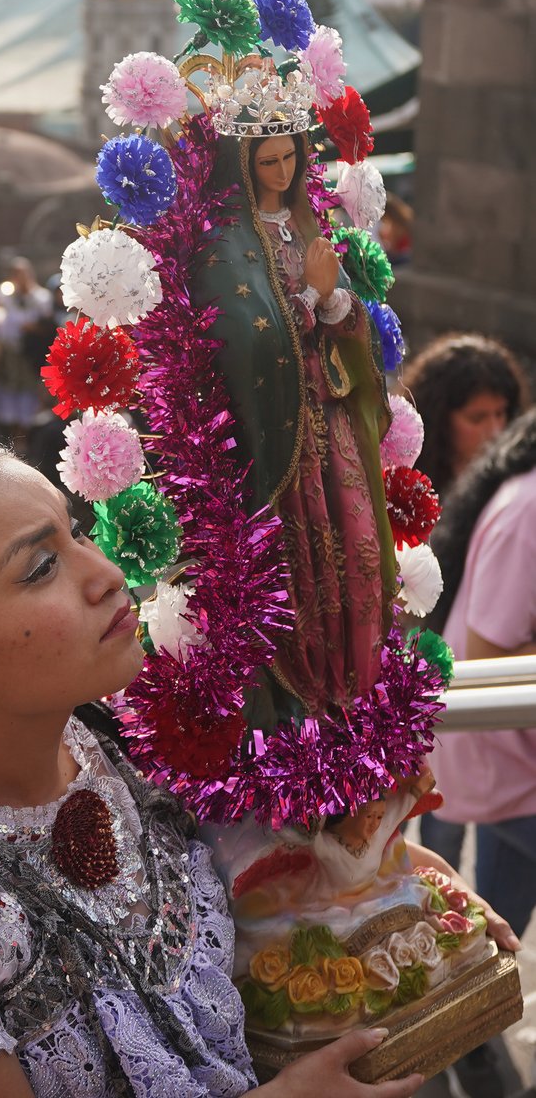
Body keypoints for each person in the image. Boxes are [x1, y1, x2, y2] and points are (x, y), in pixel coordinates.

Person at [0, 439, 513, 1098]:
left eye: (78, 532)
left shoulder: (115, 735)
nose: (106, 575)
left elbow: (255, 855)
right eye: (41, 567)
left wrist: (385, 881)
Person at [194, 131, 396, 717]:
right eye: (267, 161)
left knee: (354, 530)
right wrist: (312, 294)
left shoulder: (308, 223)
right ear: (242, 164)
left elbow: (345, 311)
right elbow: (244, 342)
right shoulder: (228, 243)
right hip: (282, 423)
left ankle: (359, 678)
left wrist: (336, 304)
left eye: (290, 157)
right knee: (302, 546)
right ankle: (311, 687)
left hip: (329, 416)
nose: (282, 171)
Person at [421, 409, 536, 1098]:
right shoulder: (527, 507)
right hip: (504, 758)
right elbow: (490, 650)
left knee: (486, 944)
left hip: (504, 760)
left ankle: (463, 1053)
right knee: (480, 938)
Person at [402, 334, 528, 502]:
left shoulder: (519, 489)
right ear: (440, 421)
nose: (495, 432)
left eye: (500, 414)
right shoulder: (405, 489)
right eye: (476, 418)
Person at [0, 258, 53, 438]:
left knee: (27, 389)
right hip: (9, 350)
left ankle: (25, 430)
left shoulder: (40, 297)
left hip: (30, 352)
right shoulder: (5, 294)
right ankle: (9, 428)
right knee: (8, 386)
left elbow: (45, 323)